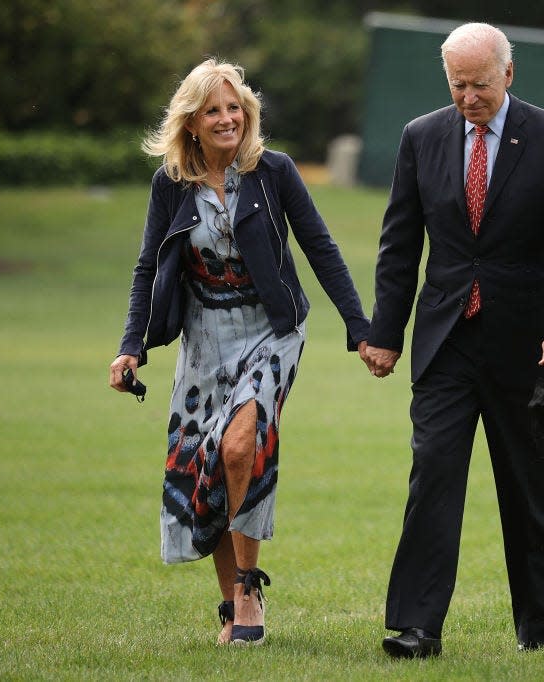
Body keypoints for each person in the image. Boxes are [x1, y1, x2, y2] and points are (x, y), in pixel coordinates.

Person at [109, 59, 369, 646]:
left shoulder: (273, 172)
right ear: (192, 123)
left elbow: (321, 248)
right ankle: (231, 604)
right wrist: (132, 347)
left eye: (234, 108)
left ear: (246, 114)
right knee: (207, 466)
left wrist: (360, 327)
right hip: (203, 337)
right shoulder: (169, 185)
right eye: (213, 110)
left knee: (239, 444)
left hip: (272, 330)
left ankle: (250, 585)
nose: (227, 118)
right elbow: (147, 265)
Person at [363, 23, 544, 658]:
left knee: (528, 488)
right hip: (446, 340)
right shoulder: (421, 137)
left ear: (509, 75)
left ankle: (535, 626)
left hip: (527, 347)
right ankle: (417, 627)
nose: (469, 97)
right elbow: (400, 243)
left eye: (482, 85)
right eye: (458, 85)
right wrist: (386, 333)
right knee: (433, 476)